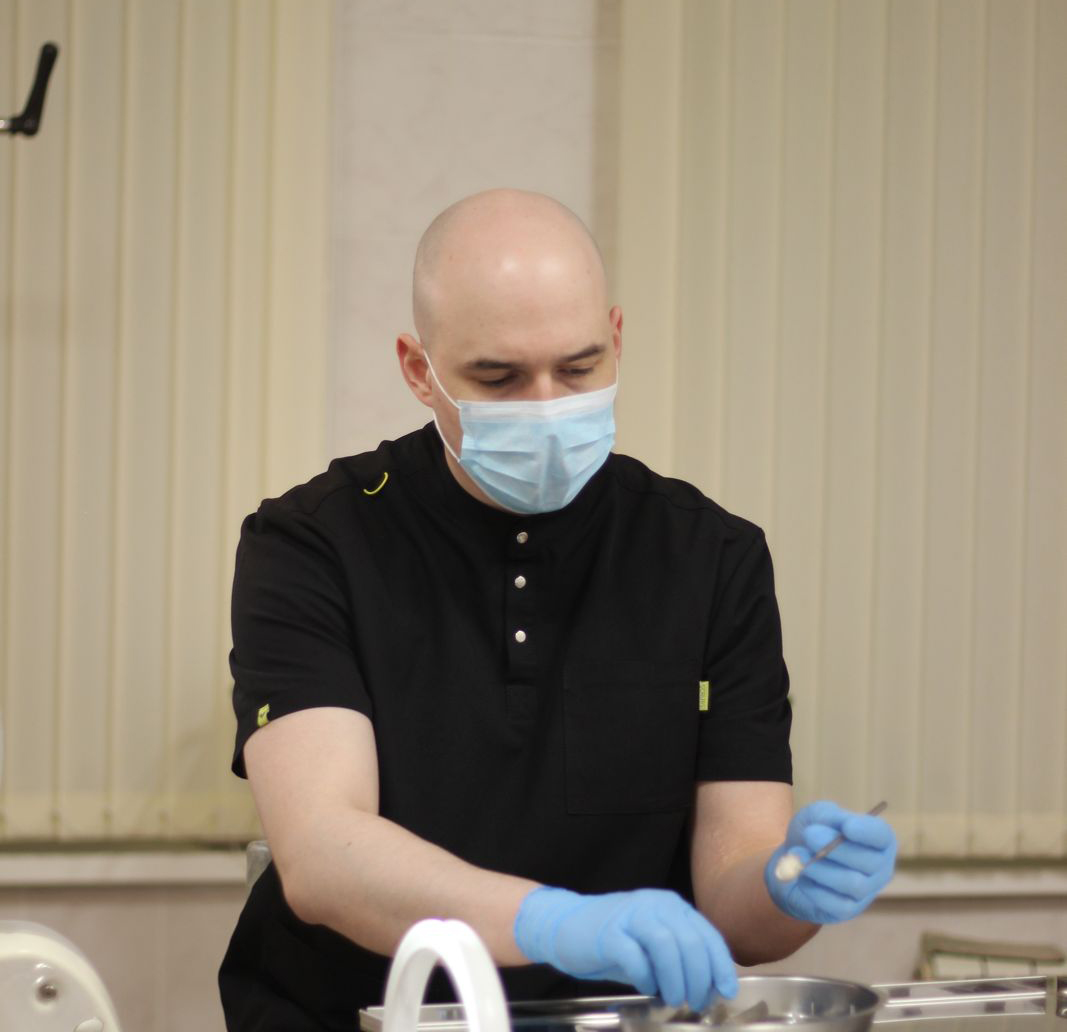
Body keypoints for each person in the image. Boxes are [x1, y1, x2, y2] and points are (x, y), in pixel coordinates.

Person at [218, 189, 896, 1032]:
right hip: (358, 1016)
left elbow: (737, 914)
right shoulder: (313, 544)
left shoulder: (709, 557)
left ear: (616, 338)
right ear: (419, 369)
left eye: (577, 369)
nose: (545, 405)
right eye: (497, 377)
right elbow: (322, 854)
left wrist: (786, 886)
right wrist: (558, 923)